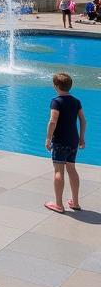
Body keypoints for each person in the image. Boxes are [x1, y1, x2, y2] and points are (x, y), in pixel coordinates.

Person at [45, 72, 87, 214]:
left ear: (56, 86)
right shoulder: (76, 101)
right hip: (73, 140)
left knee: (58, 170)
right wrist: (81, 137)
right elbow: (83, 119)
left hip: (60, 140)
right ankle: (75, 202)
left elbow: (53, 121)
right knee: (71, 168)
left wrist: (48, 138)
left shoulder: (56, 101)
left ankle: (58, 204)